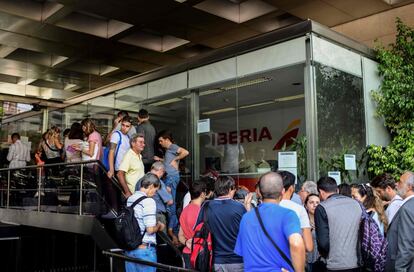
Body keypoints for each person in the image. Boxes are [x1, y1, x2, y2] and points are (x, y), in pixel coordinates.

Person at [234, 171, 305, 272]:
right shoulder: (288, 215)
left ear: (260, 192)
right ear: (283, 191)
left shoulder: (246, 218)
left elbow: (243, 252)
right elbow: (296, 243)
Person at [196, 176, 247, 271]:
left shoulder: (206, 206)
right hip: (238, 260)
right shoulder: (240, 207)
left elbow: (198, 230)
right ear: (230, 189)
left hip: (216, 260)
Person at [315, 177, 362, 272]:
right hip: (357, 262)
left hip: (334, 264)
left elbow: (323, 243)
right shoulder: (356, 204)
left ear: (321, 192)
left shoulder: (322, 207)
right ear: (337, 190)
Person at [125, 173, 165, 272]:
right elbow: (150, 229)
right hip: (144, 251)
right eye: (155, 190)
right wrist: (159, 226)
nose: (155, 193)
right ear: (151, 186)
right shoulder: (149, 202)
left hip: (130, 249)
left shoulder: (131, 199)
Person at [154, 130, 189, 239]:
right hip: (169, 178)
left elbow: (185, 152)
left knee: (170, 204)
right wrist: (160, 159)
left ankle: (173, 231)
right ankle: (172, 230)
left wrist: (176, 159)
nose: (160, 143)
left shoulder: (173, 146)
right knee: (168, 203)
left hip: (171, 178)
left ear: (167, 140)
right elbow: (168, 161)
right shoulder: (169, 150)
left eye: (161, 141)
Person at [178, 181, 212, 268]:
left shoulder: (185, 211)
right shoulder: (202, 212)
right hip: (201, 254)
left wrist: (186, 242)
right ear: (202, 194)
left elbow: (180, 235)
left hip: (187, 252)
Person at [385, 171, 414, 271]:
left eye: (400, 182)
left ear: (409, 187)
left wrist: (400, 269)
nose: (396, 184)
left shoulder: (407, 208)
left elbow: (406, 244)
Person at [279, 171, 313, 253]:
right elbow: (309, 246)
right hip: (292, 260)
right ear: (291, 188)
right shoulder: (299, 209)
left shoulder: (264, 209)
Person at [135, 162, 173, 233]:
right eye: (163, 172)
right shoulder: (157, 182)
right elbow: (170, 201)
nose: (162, 175)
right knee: (162, 241)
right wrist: (169, 192)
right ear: (161, 170)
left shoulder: (140, 181)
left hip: (141, 215)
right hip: (157, 216)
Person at [304, 194, 322, 272]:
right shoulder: (302, 221)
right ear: (306, 205)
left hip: (320, 261)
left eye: (317, 203)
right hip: (305, 261)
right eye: (311, 202)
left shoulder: (323, 221)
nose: (315, 205)